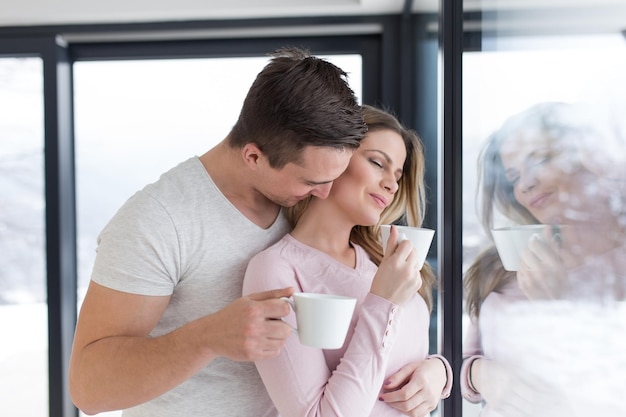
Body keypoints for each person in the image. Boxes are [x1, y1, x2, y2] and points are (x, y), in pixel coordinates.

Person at [68, 47, 368, 416]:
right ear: (254, 156)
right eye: (311, 181)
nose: (326, 193)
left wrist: (436, 370)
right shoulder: (158, 221)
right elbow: (88, 388)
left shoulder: (307, 206)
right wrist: (205, 339)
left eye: (332, 179)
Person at [242, 104, 452, 417]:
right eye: (378, 163)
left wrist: (439, 372)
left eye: (397, 175)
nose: (392, 185)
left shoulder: (381, 261)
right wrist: (382, 302)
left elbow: (403, 355)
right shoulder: (278, 270)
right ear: (333, 157)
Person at [461, 101, 626, 416]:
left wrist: (559, 302)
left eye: (541, 161)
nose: (525, 184)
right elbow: (462, 361)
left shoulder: (616, 266)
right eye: (513, 176)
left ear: (585, 157)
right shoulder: (502, 262)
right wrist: (482, 375)